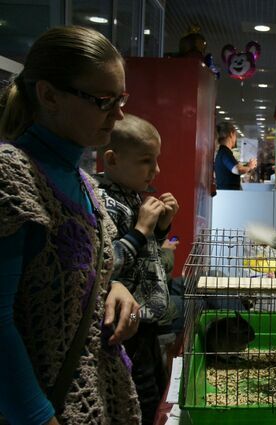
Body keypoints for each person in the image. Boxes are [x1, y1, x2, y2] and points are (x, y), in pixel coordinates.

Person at [0, 26, 141, 424]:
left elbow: (72, 277)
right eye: (104, 101)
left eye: (121, 99)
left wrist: (115, 288)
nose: (118, 114)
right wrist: (36, 416)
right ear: (49, 96)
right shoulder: (12, 177)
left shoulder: (85, 184)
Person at [95, 113, 179, 424]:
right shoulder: (102, 201)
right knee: (139, 401)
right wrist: (141, 230)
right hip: (125, 326)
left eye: (156, 160)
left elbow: (144, 258)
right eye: (146, 161)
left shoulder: (133, 195)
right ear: (112, 159)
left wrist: (161, 227)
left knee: (155, 394)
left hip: (146, 325)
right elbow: (106, 264)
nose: (156, 170)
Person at [214, 122, 256, 190]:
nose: (235, 139)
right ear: (231, 134)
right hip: (229, 194)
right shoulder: (225, 152)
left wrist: (247, 165)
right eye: (235, 135)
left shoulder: (222, 152)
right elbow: (237, 169)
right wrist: (250, 167)